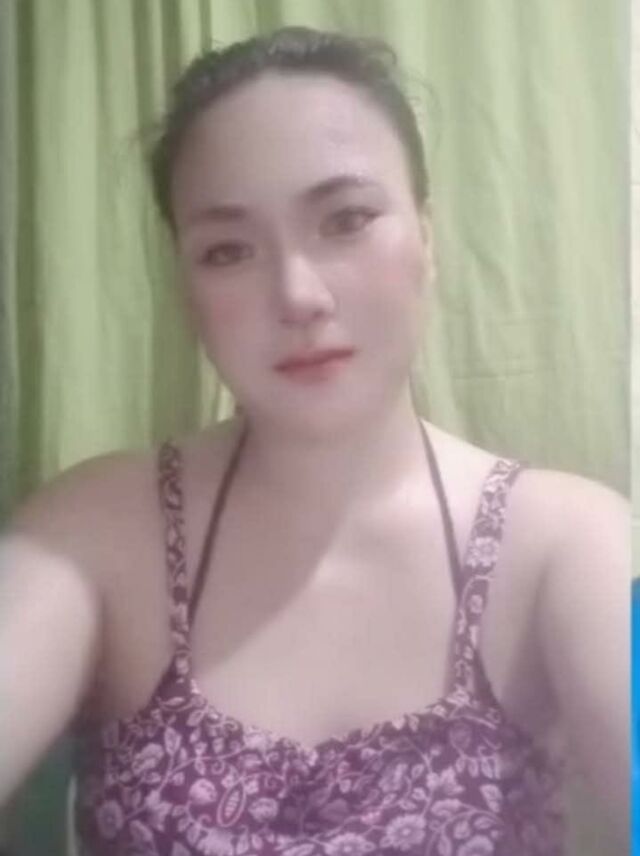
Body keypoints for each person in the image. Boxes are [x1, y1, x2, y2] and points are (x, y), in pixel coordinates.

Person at [0, 25, 628, 856]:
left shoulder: (561, 540)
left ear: (427, 237)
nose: (298, 294)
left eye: (347, 219)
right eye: (228, 250)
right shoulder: (93, 531)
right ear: (185, 286)